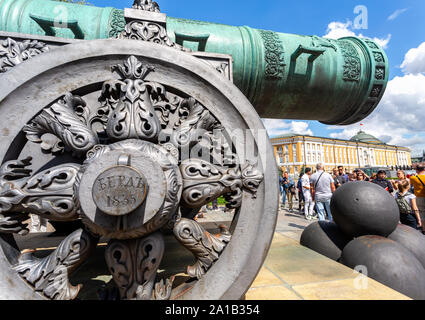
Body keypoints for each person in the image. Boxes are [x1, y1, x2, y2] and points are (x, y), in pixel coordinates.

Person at [410, 164, 425, 233]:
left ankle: (424, 229)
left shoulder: (413, 178)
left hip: (419, 197)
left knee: (421, 213)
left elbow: (410, 185)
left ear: (416, 170)